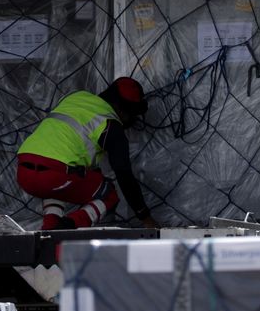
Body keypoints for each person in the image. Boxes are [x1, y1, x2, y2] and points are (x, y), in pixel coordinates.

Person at [16, 77, 159, 230]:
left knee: (56, 187)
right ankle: (69, 226)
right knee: (108, 193)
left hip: (24, 171)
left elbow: (71, 146)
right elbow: (124, 175)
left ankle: (49, 228)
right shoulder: (110, 123)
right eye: (132, 116)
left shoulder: (76, 97)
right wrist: (145, 216)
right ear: (124, 111)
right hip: (56, 174)